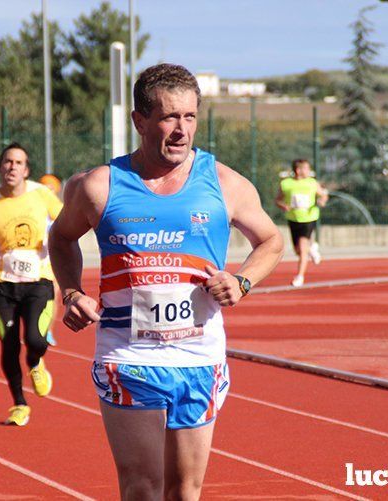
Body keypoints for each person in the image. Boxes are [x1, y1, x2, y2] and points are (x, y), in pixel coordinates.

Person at [49, 63, 283, 500]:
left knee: (185, 490)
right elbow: (60, 238)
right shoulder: (99, 186)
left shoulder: (222, 183)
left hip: (199, 357)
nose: (181, 130)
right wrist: (73, 292)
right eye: (169, 117)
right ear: (139, 121)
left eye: (190, 117)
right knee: (142, 486)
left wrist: (242, 281)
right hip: (128, 355)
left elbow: (271, 240)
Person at [0, 142, 63, 427]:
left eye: (18, 163)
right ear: (0, 167)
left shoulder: (42, 195)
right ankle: (19, 404)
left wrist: (54, 241)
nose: (12, 167)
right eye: (7, 162)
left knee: (35, 340)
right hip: (3, 284)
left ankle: (35, 362)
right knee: (9, 345)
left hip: (38, 280)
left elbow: (67, 225)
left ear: (26, 170)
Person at [275, 158, 328, 287]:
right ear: (298, 170)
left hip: (309, 218)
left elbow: (323, 195)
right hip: (293, 219)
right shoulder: (286, 184)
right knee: (298, 250)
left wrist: (322, 201)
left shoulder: (312, 183)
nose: (309, 171)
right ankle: (312, 249)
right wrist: (283, 206)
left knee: (303, 248)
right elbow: (277, 200)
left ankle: (300, 276)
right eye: (306, 168)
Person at [38, 173, 64, 347]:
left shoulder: (60, 209)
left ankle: (48, 331)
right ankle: (34, 328)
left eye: (51, 188)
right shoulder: (33, 208)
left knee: (53, 296)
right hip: (35, 260)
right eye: (44, 188)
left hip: (52, 259)